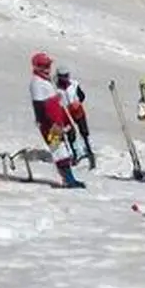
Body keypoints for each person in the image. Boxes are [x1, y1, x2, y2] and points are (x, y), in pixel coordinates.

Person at [27, 52, 84, 188]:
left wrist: (64, 122)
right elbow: (42, 108)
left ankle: (69, 179)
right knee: (59, 151)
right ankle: (68, 180)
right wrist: (54, 124)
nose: (48, 68)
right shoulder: (38, 84)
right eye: (44, 65)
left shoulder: (46, 81)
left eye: (48, 65)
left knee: (62, 149)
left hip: (56, 124)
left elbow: (55, 105)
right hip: (50, 125)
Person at [55, 66, 94, 169]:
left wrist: (77, 101)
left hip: (76, 110)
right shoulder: (55, 88)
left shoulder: (74, 84)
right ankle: (75, 153)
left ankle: (89, 152)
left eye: (67, 76)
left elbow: (82, 96)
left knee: (83, 131)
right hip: (64, 112)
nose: (65, 79)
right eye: (63, 77)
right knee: (70, 133)